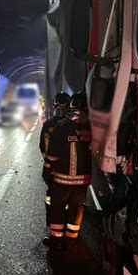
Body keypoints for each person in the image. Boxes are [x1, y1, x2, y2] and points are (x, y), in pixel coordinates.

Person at [43, 91, 92, 250]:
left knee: (57, 208)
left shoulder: (62, 126)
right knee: (77, 210)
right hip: (83, 182)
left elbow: (52, 154)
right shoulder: (92, 128)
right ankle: (71, 240)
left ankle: (56, 240)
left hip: (62, 180)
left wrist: (47, 171)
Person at [39, 91, 70, 227]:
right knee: (67, 199)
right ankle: (66, 221)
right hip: (67, 171)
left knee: (51, 198)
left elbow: (42, 147)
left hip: (52, 170)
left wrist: (48, 165)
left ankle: (51, 222)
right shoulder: (70, 126)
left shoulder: (48, 125)